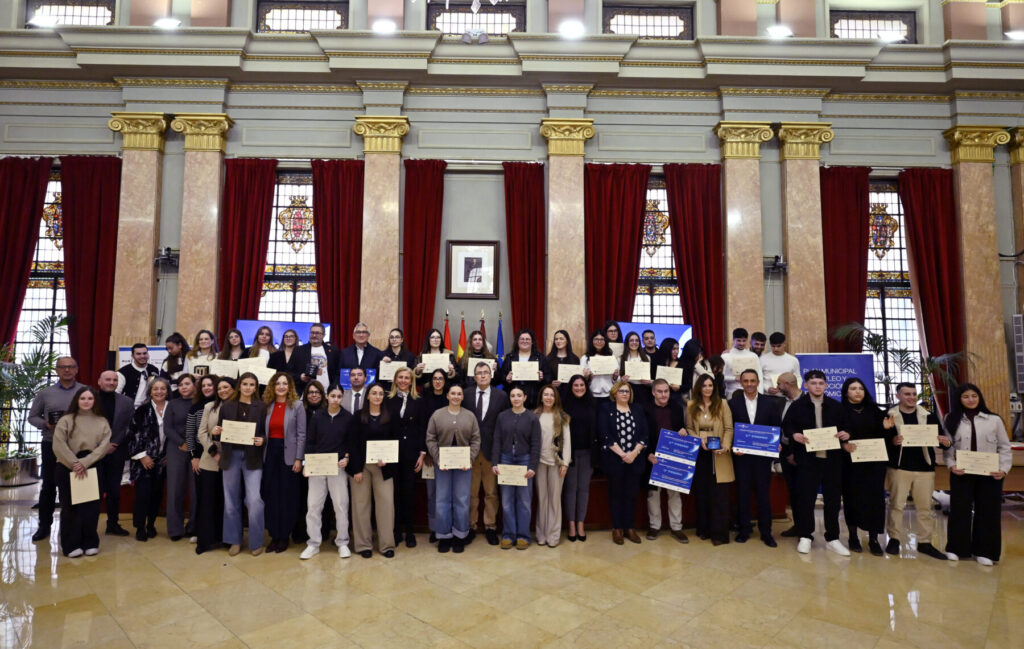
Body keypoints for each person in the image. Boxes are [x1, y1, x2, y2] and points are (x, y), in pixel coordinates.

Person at [943, 383, 1012, 566]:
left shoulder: (994, 420)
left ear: (979, 397)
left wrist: (1003, 469)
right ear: (959, 399)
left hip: (989, 473)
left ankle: (985, 552)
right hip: (961, 472)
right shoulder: (951, 418)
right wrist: (951, 465)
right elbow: (948, 448)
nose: (971, 399)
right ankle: (957, 548)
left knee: (988, 511)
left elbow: (1005, 447)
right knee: (959, 510)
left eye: (974, 395)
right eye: (966, 396)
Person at [783, 370, 849, 556]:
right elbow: (787, 426)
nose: (817, 386)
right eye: (813, 383)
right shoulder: (797, 406)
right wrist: (794, 434)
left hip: (832, 460)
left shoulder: (836, 406)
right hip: (807, 460)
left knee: (833, 500)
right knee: (806, 499)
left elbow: (847, 427)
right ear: (806, 385)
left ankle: (833, 538)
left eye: (821, 383)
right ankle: (805, 535)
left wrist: (847, 434)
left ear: (826, 385)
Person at [884, 382, 950, 560]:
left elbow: (941, 439)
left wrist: (943, 441)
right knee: (896, 505)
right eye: (907, 394)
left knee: (925, 507)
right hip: (899, 467)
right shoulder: (889, 415)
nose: (912, 397)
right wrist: (893, 441)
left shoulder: (927, 415)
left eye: (914, 394)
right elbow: (882, 440)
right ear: (898, 396)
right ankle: (894, 539)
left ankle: (925, 542)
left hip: (924, 468)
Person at [30, 355, 87, 542]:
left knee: (78, 487)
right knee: (48, 486)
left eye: (71, 366)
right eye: (63, 367)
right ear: (57, 370)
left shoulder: (86, 392)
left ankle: (76, 528)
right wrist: (46, 425)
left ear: (77, 369)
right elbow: (32, 417)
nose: (67, 370)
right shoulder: (45, 393)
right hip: (51, 445)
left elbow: (96, 416)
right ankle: (44, 526)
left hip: (79, 447)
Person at [52, 386, 110, 557]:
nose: (86, 401)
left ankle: (90, 542)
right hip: (68, 467)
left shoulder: (102, 421)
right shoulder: (66, 420)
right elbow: (58, 444)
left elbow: (104, 446)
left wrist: (85, 462)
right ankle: (70, 544)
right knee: (71, 507)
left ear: (95, 401)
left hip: (91, 467)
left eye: (90, 398)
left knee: (91, 508)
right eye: (83, 398)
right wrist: (74, 463)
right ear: (77, 400)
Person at [213, 372, 268, 556]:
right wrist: (216, 432)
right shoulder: (227, 406)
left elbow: (264, 432)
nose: (248, 388)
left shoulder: (261, 407)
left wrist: (262, 439)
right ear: (239, 386)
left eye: (252, 384)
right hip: (230, 456)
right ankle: (234, 540)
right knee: (230, 501)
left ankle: (256, 541)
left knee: (254, 500)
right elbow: (220, 433)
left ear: (256, 387)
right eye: (244, 384)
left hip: (253, 457)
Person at [728, 370, 782, 547]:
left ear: (758, 382)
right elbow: (730, 429)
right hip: (741, 457)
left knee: (763, 495)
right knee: (742, 494)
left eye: (752, 380)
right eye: (746, 381)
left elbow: (776, 427)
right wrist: (735, 447)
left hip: (762, 458)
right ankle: (744, 530)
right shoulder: (732, 403)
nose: (749, 384)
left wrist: (776, 443)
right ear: (741, 383)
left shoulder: (770, 402)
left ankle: (766, 533)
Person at [300, 384, 355, 560]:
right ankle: (313, 543)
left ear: (342, 398)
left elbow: (350, 443)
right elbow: (310, 441)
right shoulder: (317, 416)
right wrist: (306, 463)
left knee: (340, 506)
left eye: (339, 396)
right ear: (327, 396)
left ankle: (343, 542)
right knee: (314, 506)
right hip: (317, 467)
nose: (335, 400)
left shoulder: (348, 418)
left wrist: (346, 457)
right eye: (333, 396)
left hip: (337, 468)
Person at [425, 384, 481, 553]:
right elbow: (430, 438)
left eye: (459, 394)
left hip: (464, 466)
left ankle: (460, 535)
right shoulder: (437, 415)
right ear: (448, 396)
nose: (456, 396)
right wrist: (438, 458)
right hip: (442, 465)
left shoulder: (470, 416)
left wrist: (469, 458)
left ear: (462, 397)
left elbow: (476, 440)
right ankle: (443, 535)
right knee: (442, 499)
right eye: (453, 393)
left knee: (462, 500)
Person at [838, 377, 890, 556]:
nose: (857, 391)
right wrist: (843, 445)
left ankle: (874, 539)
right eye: (853, 388)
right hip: (850, 464)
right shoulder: (838, 411)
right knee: (852, 499)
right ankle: (853, 537)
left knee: (875, 501)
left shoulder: (876, 411)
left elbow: (888, 437)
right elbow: (831, 436)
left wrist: (887, 429)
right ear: (846, 392)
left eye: (860, 388)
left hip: (874, 464)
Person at [463, 361, 510, 545]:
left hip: (493, 451)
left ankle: (490, 526)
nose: (482, 376)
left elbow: (505, 422)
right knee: (472, 492)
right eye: (479, 373)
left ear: (491, 376)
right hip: (470, 452)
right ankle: (471, 526)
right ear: (474, 377)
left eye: (485, 373)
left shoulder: (501, 396)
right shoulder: (465, 395)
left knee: (491, 492)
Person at [350, 383, 398, 558]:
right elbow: (352, 444)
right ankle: (363, 545)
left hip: (383, 468)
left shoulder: (390, 416)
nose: (377, 396)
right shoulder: (357, 417)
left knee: (386, 505)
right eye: (374, 393)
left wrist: (388, 459)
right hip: (361, 468)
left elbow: (396, 441)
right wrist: (356, 469)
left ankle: (386, 545)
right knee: (361, 505)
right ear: (368, 396)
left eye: (380, 394)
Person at [598, 380, 648, 545]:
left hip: (635, 460)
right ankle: (617, 528)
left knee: (631, 495)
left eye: (627, 391)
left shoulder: (638, 409)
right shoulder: (607, 409)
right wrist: (622, 455)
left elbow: (644, 434)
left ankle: (629, 528)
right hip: (615, 460)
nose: (625, 394)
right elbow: (605, 434)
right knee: (616, 495)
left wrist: (633, 454)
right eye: (621, 391)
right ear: (614, 394)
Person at [261, 371, 306, 553]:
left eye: (285, 383)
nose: (281, 386)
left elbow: (302, 434)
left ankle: (284, 535)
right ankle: (274, 535)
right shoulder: (267, 405)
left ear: (290, 387)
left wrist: (298, 458)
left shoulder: (297, 405)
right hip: (270, 453)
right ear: (273, 386)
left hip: (289, 456)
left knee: (286, 497)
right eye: (278, 383)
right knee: (271, 496)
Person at [687, 374, 734, 546]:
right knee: (703, 494)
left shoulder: (722, 404)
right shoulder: (691, 405)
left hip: (719, 455)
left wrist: (726, 445)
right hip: (701, 455)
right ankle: (704, 530)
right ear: (699, 387)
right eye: (704, 385)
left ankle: (719, 535)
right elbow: (689, 428)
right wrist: (698, 440)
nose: (708, 388)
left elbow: (729, 428)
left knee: (719, 496)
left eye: (710, 385)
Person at [491, 387, 540, 549]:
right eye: (513, 396)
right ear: (510, 398)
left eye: (519, 395)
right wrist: (494, 462)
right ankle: (508, 534)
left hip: (524, 460)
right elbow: (497, 440)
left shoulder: (532, 418)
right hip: (505, 460)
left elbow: (535, 444)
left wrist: (532, 466)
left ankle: (523, 536)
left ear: (525, 397)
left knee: (524, 501)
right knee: (506, 501)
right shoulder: (502, 416)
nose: (516, 398)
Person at [128, 377, 173, 542]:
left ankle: (151, 524)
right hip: (143, 460)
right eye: (155, 389)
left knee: (157, 495)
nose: (159, 392)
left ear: (167, 391)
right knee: (143, 495)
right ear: (150, 392)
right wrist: (142, 456)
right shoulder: (142, 410)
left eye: (162, 389)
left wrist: (170, 455)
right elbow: (133, 434)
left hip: (164, 461)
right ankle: (140, 527)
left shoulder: (172, 409)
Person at [644, 379, 688, 543]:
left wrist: (684, 432)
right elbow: (642, 433)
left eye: (666, 391)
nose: (663, 395)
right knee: (654, 494)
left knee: (674, 494)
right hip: (653, 457)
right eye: (660, 391)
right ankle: (655, 526)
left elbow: (682, 430)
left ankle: (676, 528)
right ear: (653, 392)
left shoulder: (677, 408)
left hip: (673, 456)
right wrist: (647, 453)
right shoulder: (646, 409)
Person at [387, 366, 425, 548]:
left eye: (406, 378)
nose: (403, 380)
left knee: (409, 494)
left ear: (411, 381)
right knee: (393, 494)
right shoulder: (388, 400)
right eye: (400, 377)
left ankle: (409, 532)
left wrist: (422, 453)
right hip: (392, 454)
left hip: (411, 454)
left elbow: (421, 428)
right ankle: (395, 531)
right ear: (395, 380)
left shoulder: (418, 401)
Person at [95, 370, 133, 537]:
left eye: (114, 380)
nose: (111, 382)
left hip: (116, 451)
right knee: (94, 491)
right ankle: (90, 525)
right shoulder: (89, 399)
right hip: (93, 452)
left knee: (114, 491)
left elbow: (128, 426)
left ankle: (113, 524)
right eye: (107, 379)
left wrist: (114, 443)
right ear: (99, 381)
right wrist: (103, 445)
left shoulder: (126, 402)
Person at [189, 375, 225, 554]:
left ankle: (223, 537)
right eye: (221, 388)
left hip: (230, 462)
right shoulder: (208, 407)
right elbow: (201, 433)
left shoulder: (237, 407)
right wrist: (213, 450)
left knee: (225, 501)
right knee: (207, 501)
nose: (223, 391)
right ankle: (204, 541)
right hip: (210, 460)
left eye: (226, 388)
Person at [533, 384, 571, 547]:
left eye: (551, 395)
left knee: (554, 499)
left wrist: (565, 463)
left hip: (556, 463)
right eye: (546, 395)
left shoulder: (562, 417)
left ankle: (553, 535)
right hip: (539, 463)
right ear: (541, 397)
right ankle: (541, 534)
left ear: (555, 398)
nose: (548, 398)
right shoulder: (534, 416)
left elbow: (568, 442)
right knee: (542, 499)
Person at [561, 375, 597, 542]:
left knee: (583, 489)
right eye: (575, 385)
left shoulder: (593, 404)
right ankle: (572, 524)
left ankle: (581, 523)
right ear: (571, 387)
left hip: (588, 453)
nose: (579, 388)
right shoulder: (564, 405)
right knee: (570, 489)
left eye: (582, 385)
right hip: (570, 455)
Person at [163, 374, 198, 541]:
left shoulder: (200, 404)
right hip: (176, 448)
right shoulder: (172, 404)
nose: (183, 387)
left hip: (196, 450)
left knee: (195, 489)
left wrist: (191, 445)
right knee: (175, 489)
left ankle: (193, 526)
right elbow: (167, 428)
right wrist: (181, 442)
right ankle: (175, 529)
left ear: (194, 385)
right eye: (180, 384)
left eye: (187, 384)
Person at [420, 369, 449, 541]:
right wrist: (428, 452)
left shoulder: (450, 397)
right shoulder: (424, 399)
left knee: (445, 493)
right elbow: (423, 427)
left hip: (449, 454)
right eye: (435, 379)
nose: (438, 381)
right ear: (431, 381)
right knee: (432, 493)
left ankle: (445, 526)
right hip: (431, 454)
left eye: (441, 379)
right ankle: (433, 528)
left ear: (445, 381)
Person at [774, 372, 803, 538]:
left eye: (779, 384)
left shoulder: (805, 402)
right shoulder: (781, 402)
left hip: (798, 454)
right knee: (792, 491)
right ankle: (798, 525)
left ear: (787, 384)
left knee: (801, 492)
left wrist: (795, 454)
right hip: (784, 451)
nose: (777, 387)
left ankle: (805, 528)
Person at [500, 328, 549, 409]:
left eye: (527, 339)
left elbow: (548, 377)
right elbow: (501, 376)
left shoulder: (541, 358)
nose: (524, 341)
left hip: (533, 399)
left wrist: (542, 378)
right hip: (513, 398)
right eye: (522, 339)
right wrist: (507, 378)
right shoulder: (510, 357)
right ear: (517, 341)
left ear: (532, 342)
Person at [292, 323, 340, 394]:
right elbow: (289, 372)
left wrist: (334, 387)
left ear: (324, 335)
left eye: (317, 333)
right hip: (305, 393)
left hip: (327, 393)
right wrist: (300, 377)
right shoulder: (299, 350)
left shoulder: (333, 351)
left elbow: (337, 373)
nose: (314, 335)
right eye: (312, 332)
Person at [721, 328, 762, 399]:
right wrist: (734, 378)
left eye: (744, 341)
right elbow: (720, 377)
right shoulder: (725, 356)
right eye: (739, 340)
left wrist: (761, 394)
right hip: (732, 393)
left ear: (747, 340)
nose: (741, 343)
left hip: (752, 394)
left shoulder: (753, 356)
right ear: (733, 339)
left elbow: (759, 376)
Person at [116, 343, 160, 408]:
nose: (142, 356)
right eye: (138, 354)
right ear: (132, 356)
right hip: (128, 408)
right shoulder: (123, 372)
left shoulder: (154, 370)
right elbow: (117, 393)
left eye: (145, 353)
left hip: (148, 408)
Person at [580, 329, 618, 400]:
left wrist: (615, 377)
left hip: (609, 395)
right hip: (591, 395)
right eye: (596, 339)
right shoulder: (585, 358)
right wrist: (587, 377)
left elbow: (616, 379)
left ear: (605, 341)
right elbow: (580, 380)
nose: (599, 342)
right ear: (592, 341)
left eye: (602, 339)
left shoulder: (611, 357)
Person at [619, 331, 654, 406]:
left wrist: (649, 382)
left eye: (637, 340)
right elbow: (617, 379)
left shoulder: (647, 358)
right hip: (627, 390)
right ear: (627, 342)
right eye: (631, 340)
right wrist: (621, 380)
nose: (634, 342)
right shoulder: (621, 358)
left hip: (643, 391)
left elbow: (649, 378)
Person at [379, 327, 417, 392]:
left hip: (404, 390)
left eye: (397, 337)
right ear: (389, 340)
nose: (394, 339)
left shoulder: (410, 356)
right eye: (392, 337)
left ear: (402, 339)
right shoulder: (382, 355)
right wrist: (381, 364)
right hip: (387, 389)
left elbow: (413, 376)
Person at [651, 338, 684, 406]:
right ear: (667, 349)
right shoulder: (656, 362)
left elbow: (687, 384)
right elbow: (652, 378)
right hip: (657, 398)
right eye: (674, 349)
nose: (676, 352)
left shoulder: (682, 364)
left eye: (677, 349)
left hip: (675, 399)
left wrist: (679, 387)